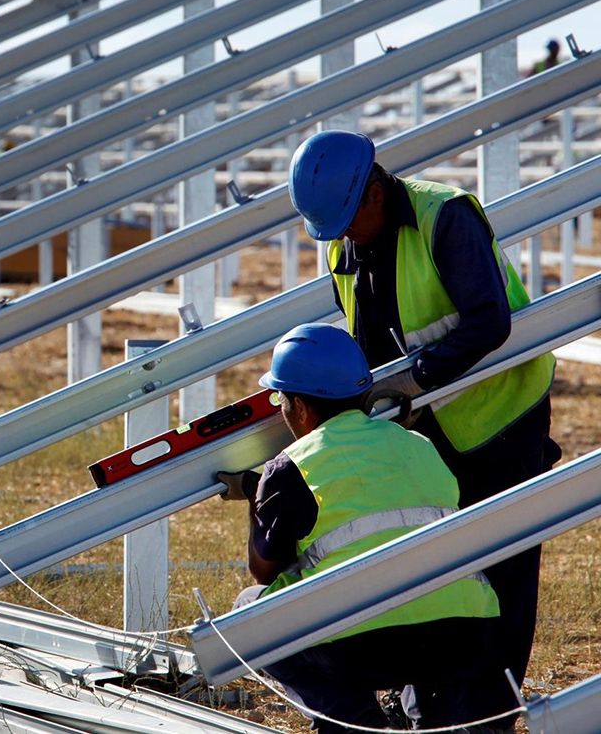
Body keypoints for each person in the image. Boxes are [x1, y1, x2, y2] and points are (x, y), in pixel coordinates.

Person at [288, 130, 558, 728]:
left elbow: (490, 320)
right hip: (423, 435)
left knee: (500, 578)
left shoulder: (445, 218)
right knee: (428, 571)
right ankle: (428, 712)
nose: (343, 240)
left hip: (498, 422)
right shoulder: (343, 248)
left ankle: (487, 719)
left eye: (347, 223)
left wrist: (415, 382)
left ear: (376, 195)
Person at [216, 323, 499, 734]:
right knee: (427, 600)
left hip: (367, 647)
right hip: (465, 635)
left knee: (249, 609)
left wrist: (260, 495)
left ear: (302, 407)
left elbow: (265, 571)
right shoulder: (417, 443)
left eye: (280, 398)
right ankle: (439, 723)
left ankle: (356, 724)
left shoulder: (292, 465)